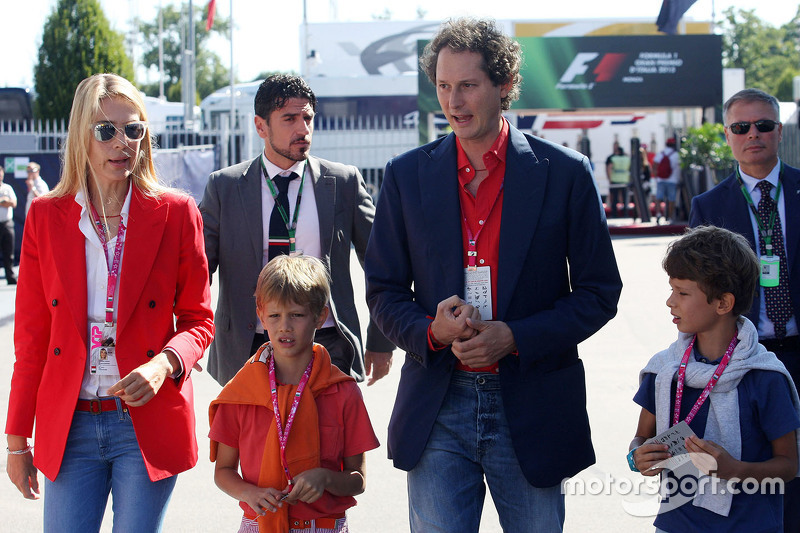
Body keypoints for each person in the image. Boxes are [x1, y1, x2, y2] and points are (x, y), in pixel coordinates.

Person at [364, 18, 622, 532]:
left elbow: (599, 292)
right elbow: (384, 291)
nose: (453, 101)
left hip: (532, 403)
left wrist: (516, 337)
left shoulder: (565, 172)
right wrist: (430, 332)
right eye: (443, 86)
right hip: (437, 403)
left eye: (467, 85)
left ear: (504, 86)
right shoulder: (406, 175)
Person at [4, 73, 214, 531]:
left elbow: (198, 320)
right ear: (83, 135)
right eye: (107, 130)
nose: (122, 142)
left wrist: (164, 365)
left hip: (145, 422)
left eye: (134, 129)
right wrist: (17, 441)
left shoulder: (177, 213)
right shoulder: (45, 216)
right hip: (71, 422)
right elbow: (32, 339)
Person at [201, 74, 394, 388]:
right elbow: (198, 271)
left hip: (328, 342)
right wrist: (188, 339)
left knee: (325, 437)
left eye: (307, 118)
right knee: (255, 439)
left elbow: (383, 264)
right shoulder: (225, 186)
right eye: (289, 119)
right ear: (261, 126)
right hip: (248, 345)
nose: (303, 129)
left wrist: (381, 339)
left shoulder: (343, 182)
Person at [629, 225, 800, 532]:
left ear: (723, 303)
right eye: (671, 289)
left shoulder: (764, 376)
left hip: (750, 525)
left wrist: (734, 470)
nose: (671, 301)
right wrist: (638, 457)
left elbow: (788, 465)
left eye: (682, 292)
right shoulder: (664, 370)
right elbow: (641, 439)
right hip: (675, 523)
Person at [689, 88, 800, 531]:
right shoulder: (709, 207)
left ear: (778, 130)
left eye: (764, 125)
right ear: (728, 136)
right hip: (746, 363)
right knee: (763, 477)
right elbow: (699, 295)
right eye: (741, 127)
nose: (753, 134)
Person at [209, 254, 379, 533]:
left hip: (324, 526)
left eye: (297, 315)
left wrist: (325, 478)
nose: (284, 326)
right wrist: (250, 493)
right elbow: (224, 472)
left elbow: (357, 479)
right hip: (257, 523)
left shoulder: (343, 391)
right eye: (274, 315)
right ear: (261, 314)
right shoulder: (241, 392)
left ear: (320, 316)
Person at [654, 137, 681, 223]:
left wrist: (656, 176)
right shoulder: (676, 155)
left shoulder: (661, 154)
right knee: (671, 199)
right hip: (672, 180)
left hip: (660, 179)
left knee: (658, 198)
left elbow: (654, 165)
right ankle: (669, 217)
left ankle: (658, 214)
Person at [0, 166, 18, 284]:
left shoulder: (8, 188)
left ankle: (10, 277)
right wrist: (3, 201)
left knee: (8, 252)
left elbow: (13, 203)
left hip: (7, 224)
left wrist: (4, 201)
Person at [606, 145, 631, 218]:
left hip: (615, 180)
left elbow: (609, 168)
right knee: (625, 198)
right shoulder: (627, 159)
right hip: (625, 180)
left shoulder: (613, 158)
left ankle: (614, 214)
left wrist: (610, 179)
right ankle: (625, 213)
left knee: (614, 198)